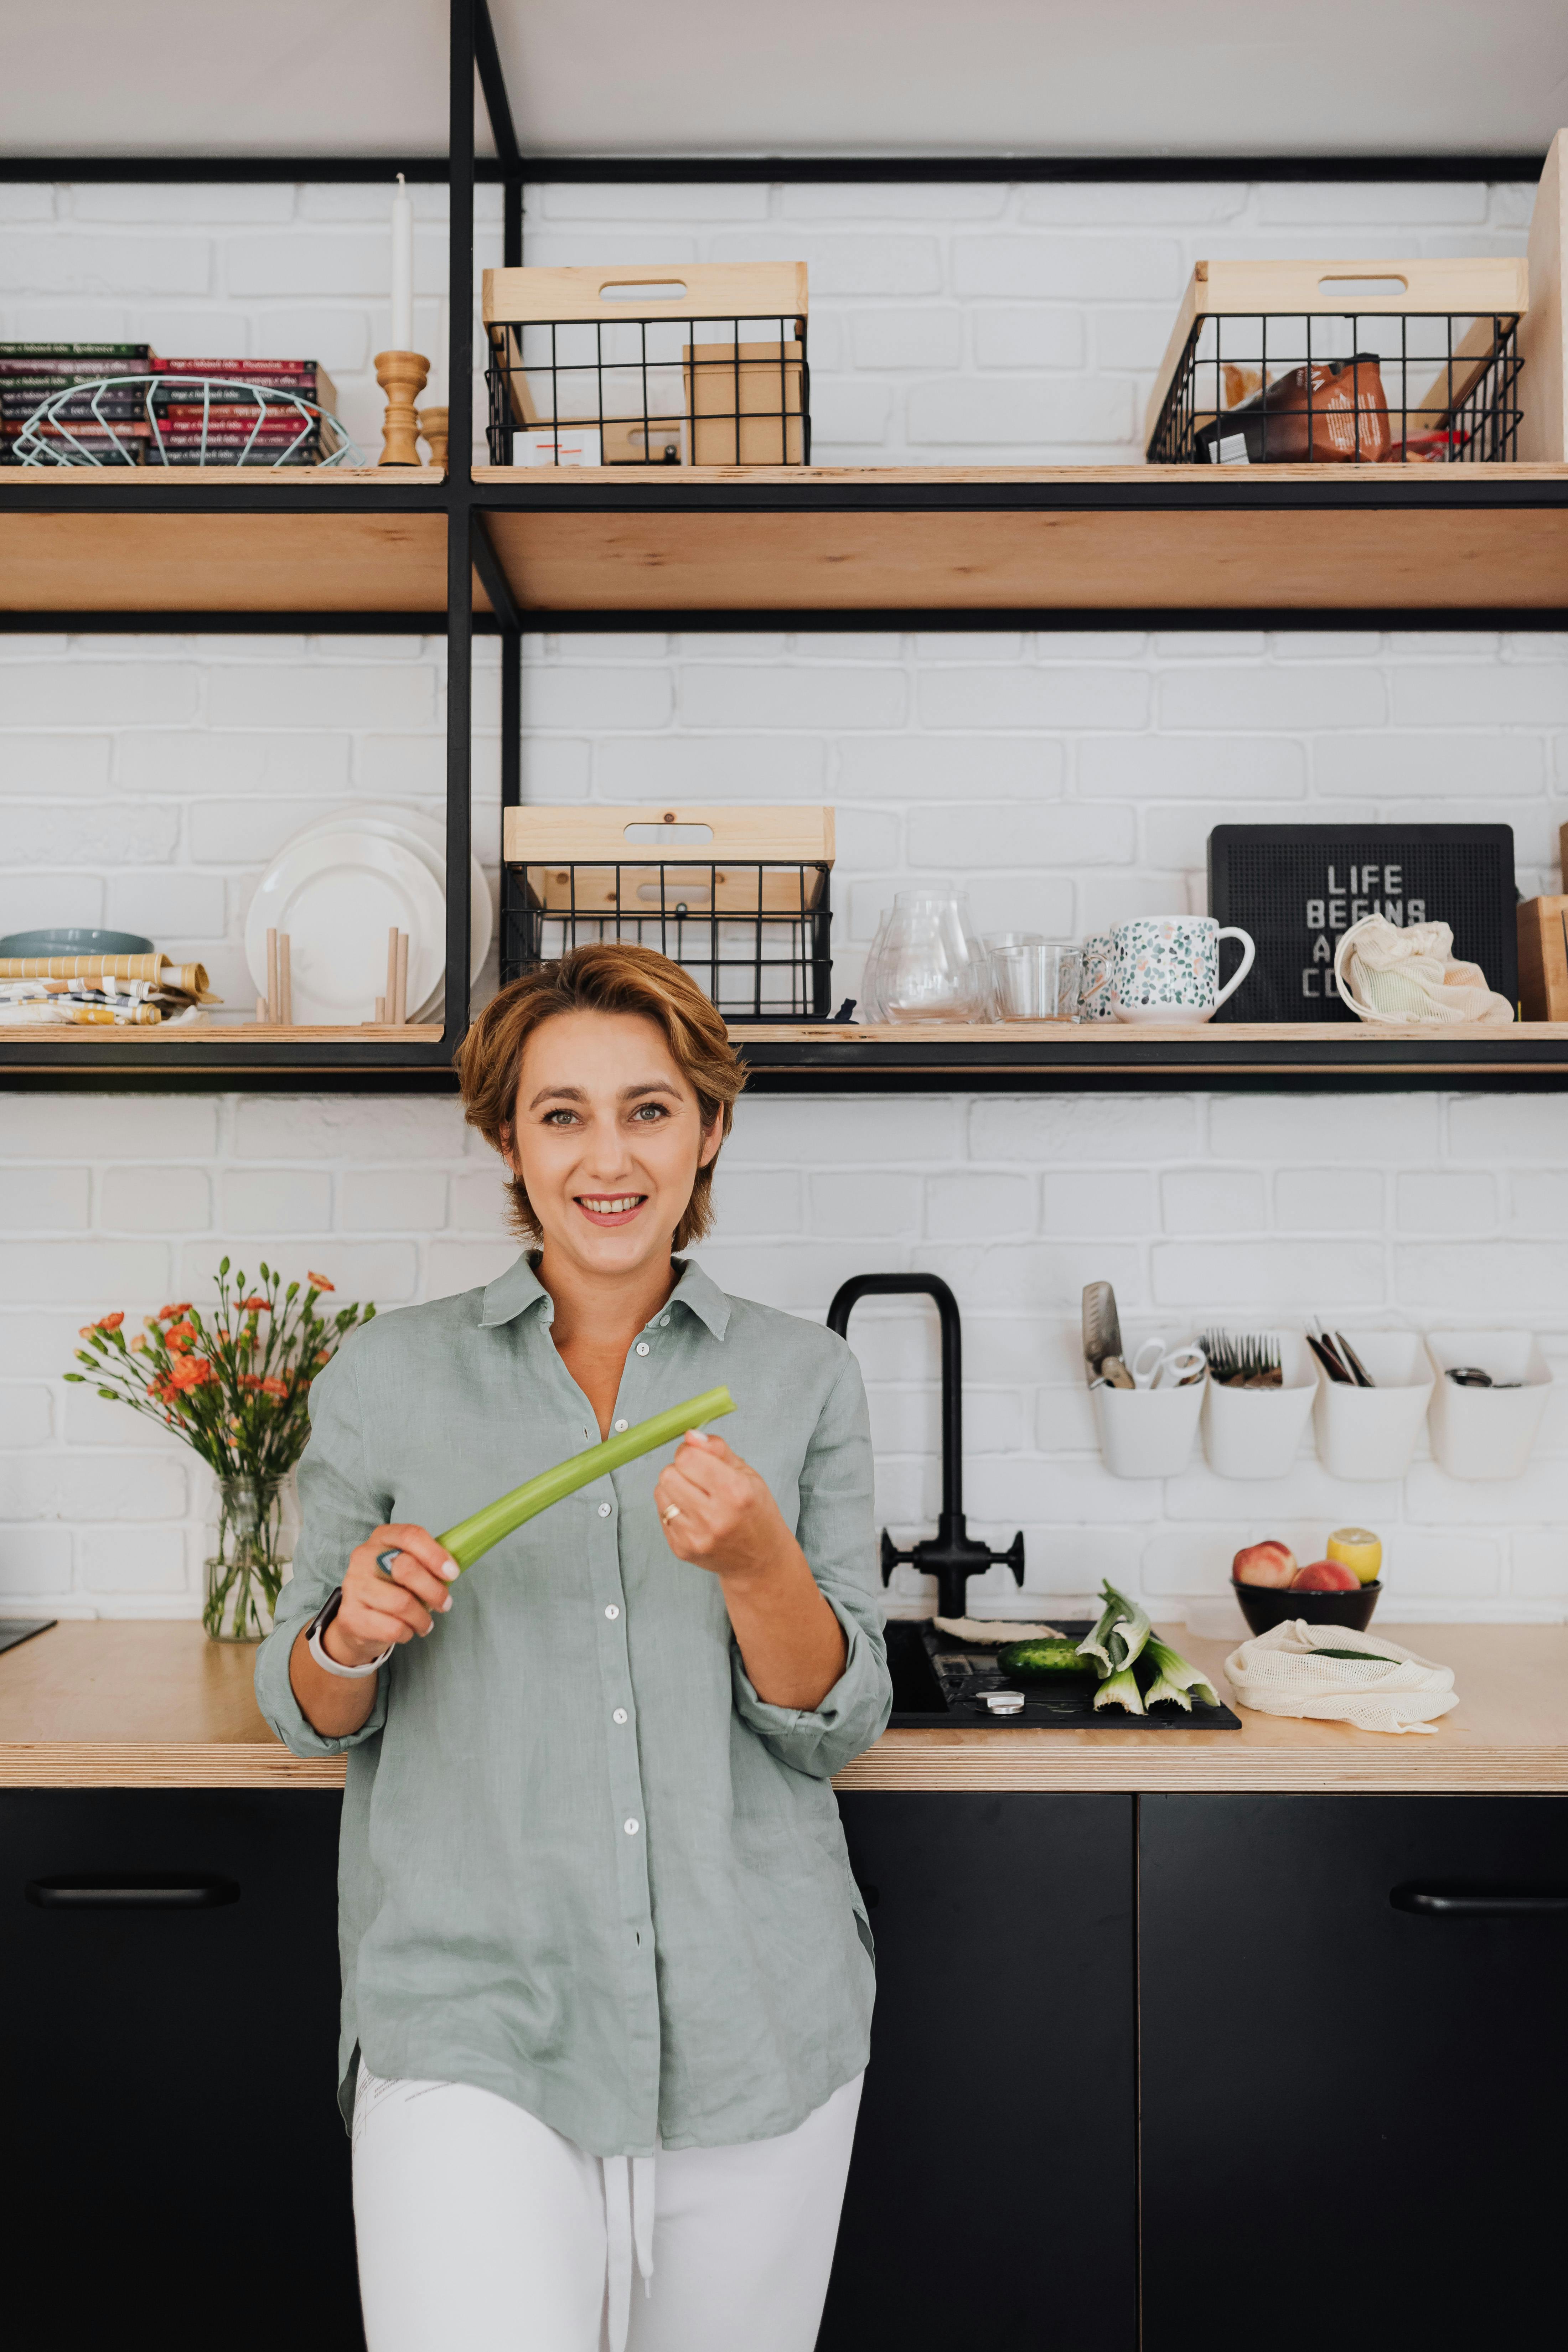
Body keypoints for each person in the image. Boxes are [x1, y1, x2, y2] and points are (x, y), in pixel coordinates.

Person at [255, 942, 891, 2352]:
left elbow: (832, 1720)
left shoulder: (802, 1378)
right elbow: (303, 1706)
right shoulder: (387, 1376)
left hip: (754, 2018)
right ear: (506, 1134)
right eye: (562, 1113)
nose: (609, 1155)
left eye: (650, 1108)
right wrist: (353, 1630)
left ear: (709, 1128)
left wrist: (757, 1563)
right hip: (471, 2015)